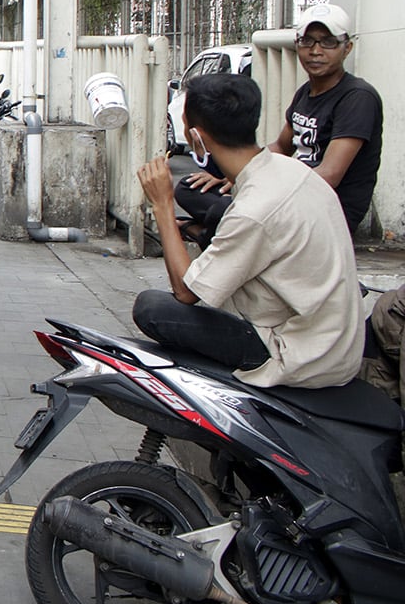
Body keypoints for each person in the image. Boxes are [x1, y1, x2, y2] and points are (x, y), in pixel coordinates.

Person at [135, 72, 362, 388]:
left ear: (196, 137)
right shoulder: (292, 169)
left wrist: (162, 205)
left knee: (152, 308)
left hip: (302, 354)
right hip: (336, 341)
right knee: (213, 210)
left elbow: (186, 292)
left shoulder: (255, 211)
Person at [177, 2, 383, 240]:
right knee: (188, 188)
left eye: (328, 42)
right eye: (307, 41)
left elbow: (329, 175)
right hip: (288, 195)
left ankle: (202, 231)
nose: (316, 51)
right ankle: (213, 230)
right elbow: (281, 147)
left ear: (347, 48)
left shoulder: (357, 97)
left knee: (224, 211)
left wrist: (260, 191)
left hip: (323, 208)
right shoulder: (306, 92)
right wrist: (232, 173)